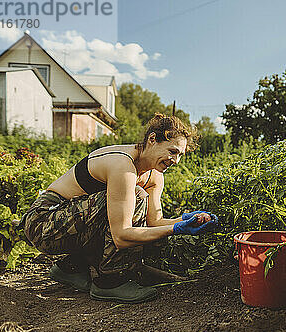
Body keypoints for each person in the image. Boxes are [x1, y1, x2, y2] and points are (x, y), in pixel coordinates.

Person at [21, 114, 217, 304]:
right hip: (44, 224)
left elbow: (154, 222)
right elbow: (122, 235)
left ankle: (72, 266)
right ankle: (110, 281)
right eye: (172, 151)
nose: (176, 160)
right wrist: (175, 229)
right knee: (136, 195)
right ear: (152, 139)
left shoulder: (155, 176)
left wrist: (186, 221)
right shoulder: (122, 164)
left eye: (180, 155)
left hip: (72, 226)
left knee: (132, 199)